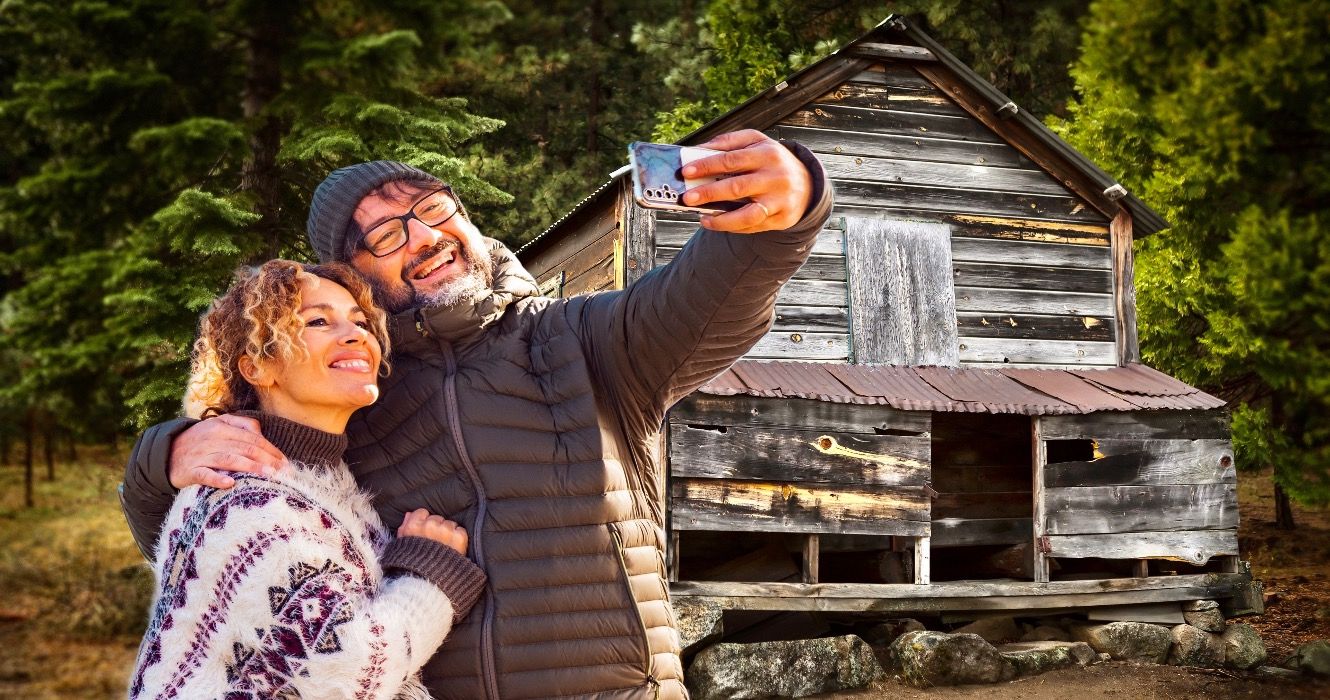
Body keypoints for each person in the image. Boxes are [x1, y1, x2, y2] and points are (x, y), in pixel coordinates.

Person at [121, 129, 833, 699]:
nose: (424, 237)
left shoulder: (586, 342)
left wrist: (788, 204)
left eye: (434, 211)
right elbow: (222, 562)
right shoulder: (353, 403)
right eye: (386, 237)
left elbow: (713, 295)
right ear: (353, 277)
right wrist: (164, 459)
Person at [128, 260, 486, 699]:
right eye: (318, 321)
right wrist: (431, 575)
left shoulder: (325, 486)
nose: (355, 334)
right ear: (258, 368)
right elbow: (345, 674)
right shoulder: (242, 497)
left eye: (359, 321)